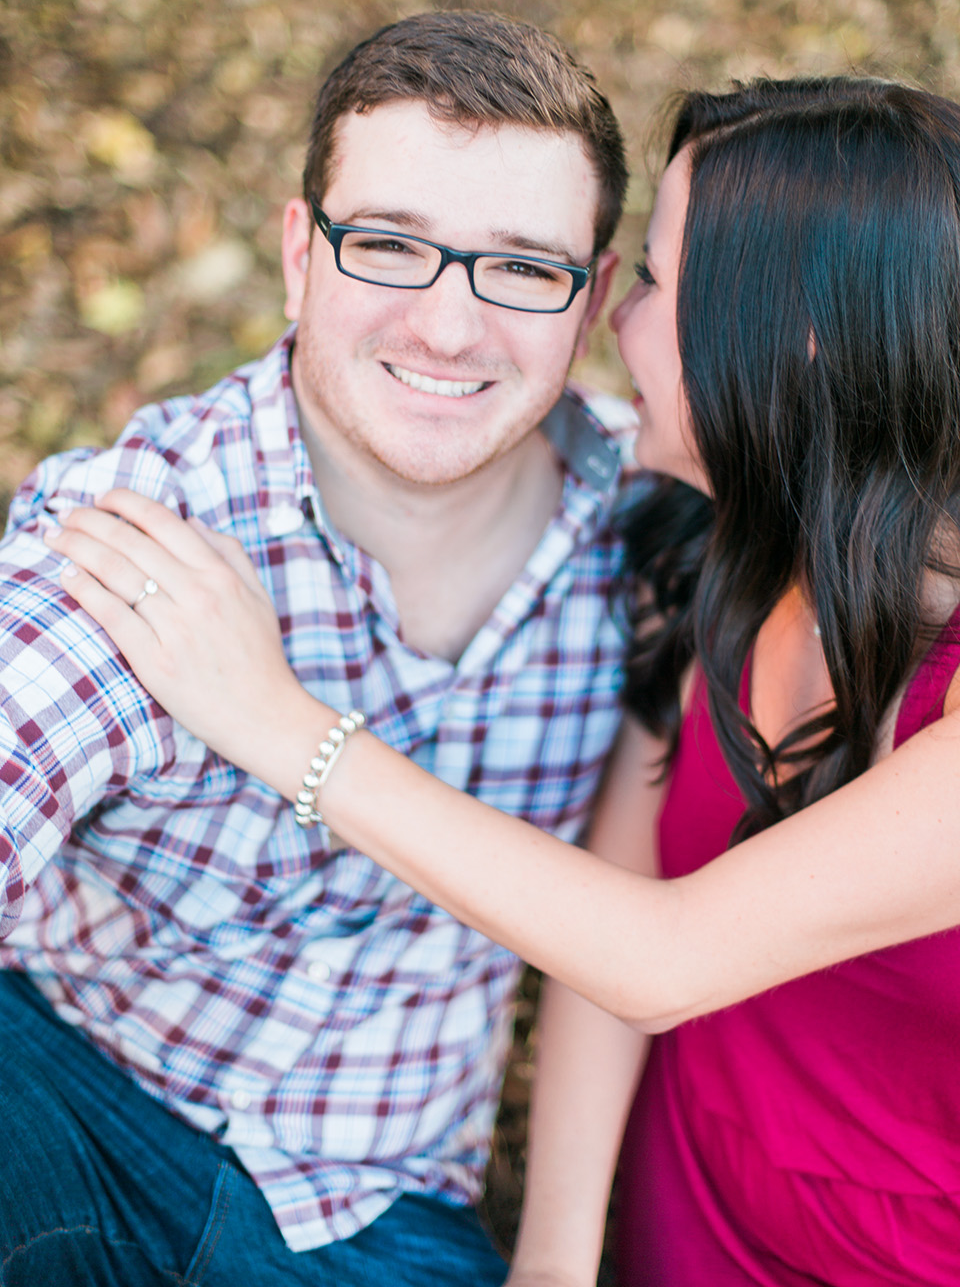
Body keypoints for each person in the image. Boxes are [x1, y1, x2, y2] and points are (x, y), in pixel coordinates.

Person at [52, 75, 960, 1286]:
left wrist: (277, 722)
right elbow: (603, 916)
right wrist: (556, 1257)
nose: (608, 324)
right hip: (686, 1181)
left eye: (648, 279)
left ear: (792, 343)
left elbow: (662, 950)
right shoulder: (729, 547)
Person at [0, 10, 635, 1285]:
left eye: (521, 268)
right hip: (63, 1086)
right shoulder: (150, 536)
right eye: (391, 246)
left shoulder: (650, 533)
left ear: (595, 300)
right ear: (302, 256)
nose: (450, 330)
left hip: (376, 1204)